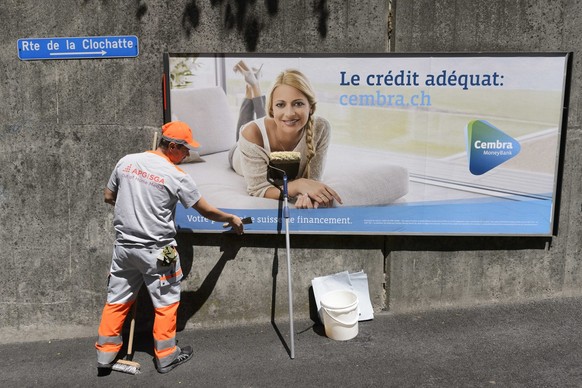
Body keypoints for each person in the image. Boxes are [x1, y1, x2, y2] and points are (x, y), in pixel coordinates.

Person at [95, 121, 244, 374]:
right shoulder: (176, 176)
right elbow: (205, 210)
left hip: (124, 248)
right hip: (161, 249)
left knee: (117, 299)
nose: (187, 154)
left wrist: (133, 209)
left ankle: (105, 354)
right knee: (166, 301)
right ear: (172, 146)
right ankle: (166, 356)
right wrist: (230, 218)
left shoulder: (126, 162)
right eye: (185, 149)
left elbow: (109, 197)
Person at [229, 65, 343, 209]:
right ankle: (252, 85)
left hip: (270, 131)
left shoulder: (320, 128)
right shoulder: (251, 134)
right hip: (238, 154)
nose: (289, 113)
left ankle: (251, 85)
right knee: (247, 127)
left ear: (311, 107)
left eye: (298, 103)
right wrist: (299, 185)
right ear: (271, 109)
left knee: (273, 122)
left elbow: (313, 181)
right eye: (280, 104)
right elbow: (258, 189)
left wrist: (305, 195)